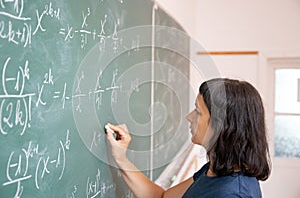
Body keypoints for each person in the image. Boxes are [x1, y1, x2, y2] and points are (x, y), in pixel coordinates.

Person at [105, 78, 271, 198]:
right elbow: (162, 197)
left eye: (198, 112)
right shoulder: (215, 171)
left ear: (221, 126)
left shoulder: (232, 193)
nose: (189, 117)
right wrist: (121, 158)